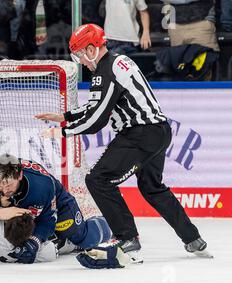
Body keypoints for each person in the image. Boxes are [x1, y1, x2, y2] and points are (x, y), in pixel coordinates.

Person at [36, 24, 212, 264]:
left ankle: (127, 238)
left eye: (79, 54)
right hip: (159, 131)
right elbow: (99, 106)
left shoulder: (104, 71)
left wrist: (63, 131)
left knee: (98, 179)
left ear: (90, 49)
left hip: (140, 134)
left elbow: (97, 118)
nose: (80, 61)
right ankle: (193, 238)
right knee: (153, 187)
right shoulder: (119, 61)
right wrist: (66, 116)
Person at [0, 154, 113, 265]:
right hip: (23, 210)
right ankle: (55, 242)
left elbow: (48, 220)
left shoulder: (42, 185)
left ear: (20, 175)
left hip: (57, 201)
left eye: (8, 184)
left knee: (82, 238)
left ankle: (110, 224)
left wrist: (34, 241)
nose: (3, 189)